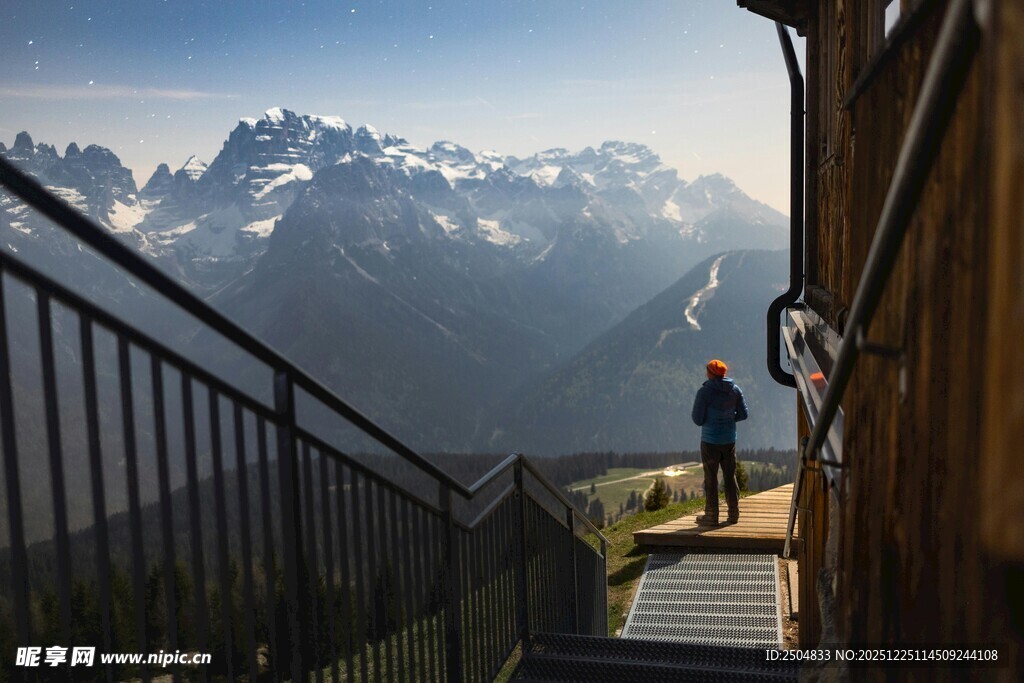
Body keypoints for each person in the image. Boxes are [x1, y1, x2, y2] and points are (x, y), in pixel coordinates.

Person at [691, 359, 748, 525]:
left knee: (711, 478)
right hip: (729, 440)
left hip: (710, 441)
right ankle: (733, 513)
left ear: (710, 373)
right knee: (730, 476)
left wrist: (711, 420)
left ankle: (711, 515)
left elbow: (697, 419)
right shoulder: (735, 390)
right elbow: (744, 414)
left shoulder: (704, 392)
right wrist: (730, 419)